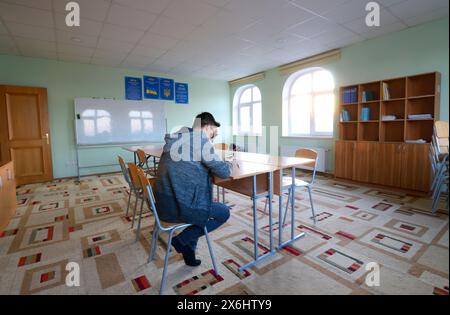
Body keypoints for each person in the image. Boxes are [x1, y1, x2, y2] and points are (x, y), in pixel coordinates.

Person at [154, 112, 231, 266]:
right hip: (178, 205)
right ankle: (181, 240)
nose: (212, 136)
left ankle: (189, 252)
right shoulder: (200, 141)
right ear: (208, 126)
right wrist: (226, 163)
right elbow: (224, 172)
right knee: (223, 212)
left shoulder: (177, 137)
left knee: (200, 202)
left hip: (162, 203)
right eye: (213, 131)